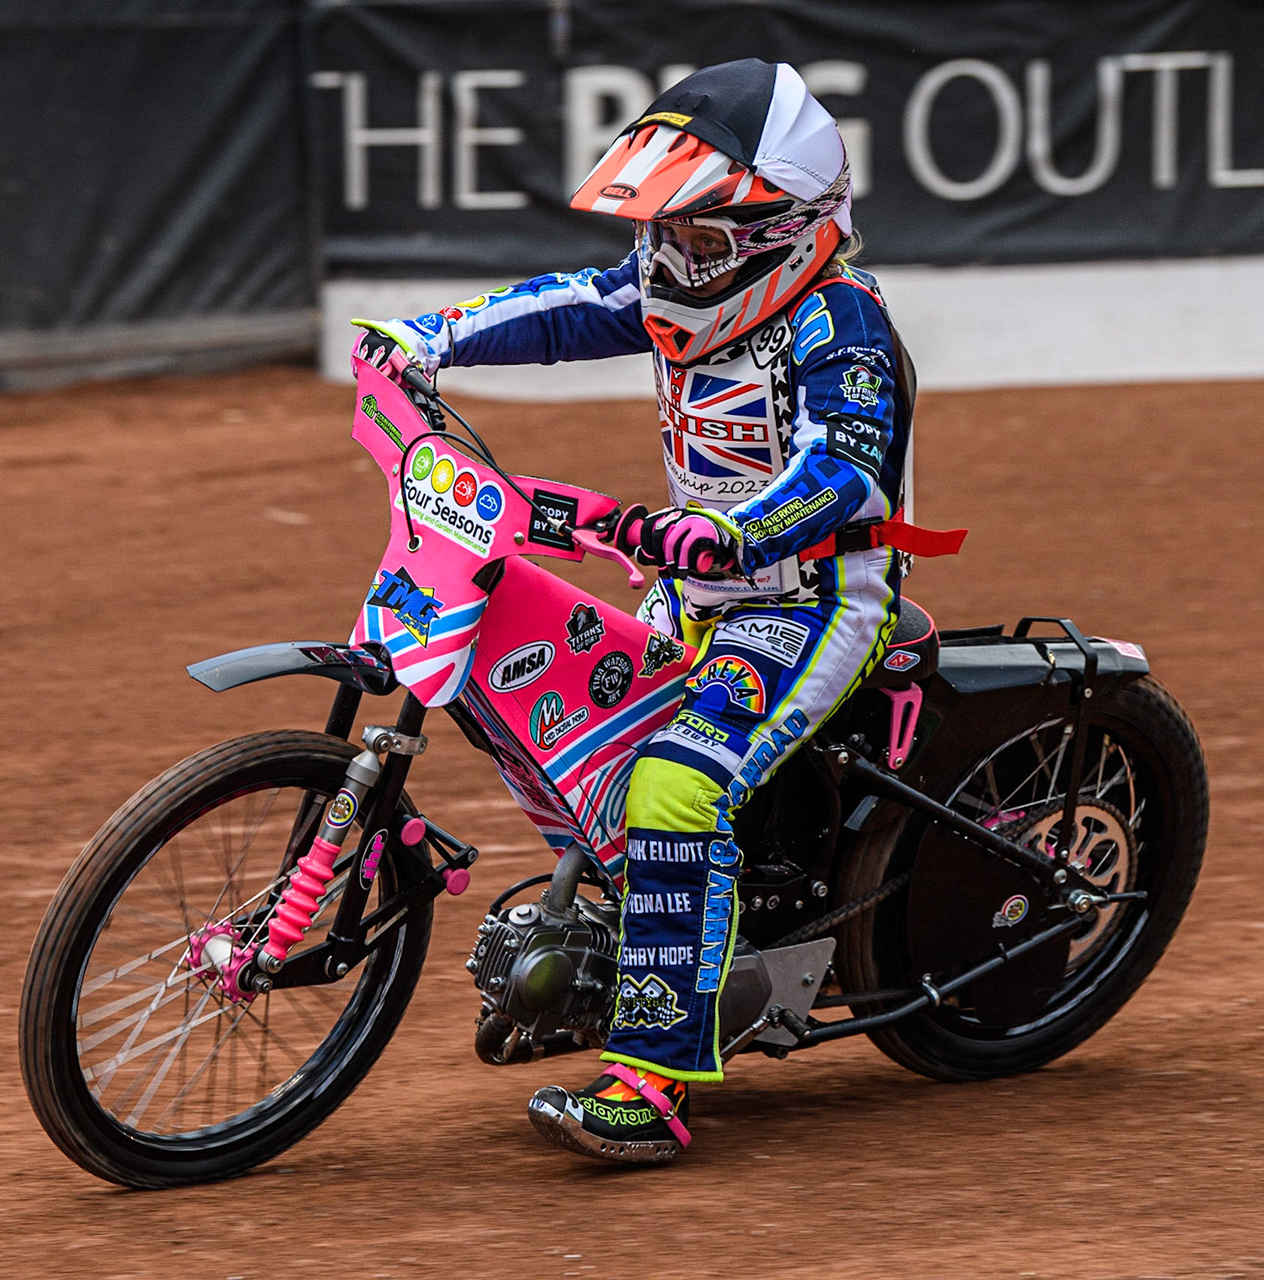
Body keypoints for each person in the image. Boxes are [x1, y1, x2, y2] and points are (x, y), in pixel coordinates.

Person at [354, 59, 946, 1163]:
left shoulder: (840, 326)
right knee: (567, 721)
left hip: (810, 601)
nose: (673, 263)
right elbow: (565, 308)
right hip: (692, 584)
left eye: (703, 240)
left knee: (676, 780)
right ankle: (627, 934)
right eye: (665, 235)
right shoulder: (681, 280)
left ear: (789, 228)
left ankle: (655, 1081)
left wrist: (735, 531)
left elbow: (847, 474)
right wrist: (427, 338)